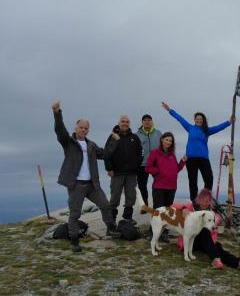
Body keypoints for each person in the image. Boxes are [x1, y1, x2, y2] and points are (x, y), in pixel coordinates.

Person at [52, 101, 121, 252]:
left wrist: (114, 142)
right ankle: (74, 240)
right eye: (81, 127)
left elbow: (104, 154)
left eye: (86, 128)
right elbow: (60, 130)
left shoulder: (91, 145)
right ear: (75, 128)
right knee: (75, 214)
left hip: (92, 185)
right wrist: (57, 113)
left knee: (105, 205)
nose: (83, 130)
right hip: (76, 185)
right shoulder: (69, 142)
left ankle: (110, 228)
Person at [161, 101, 233, 202]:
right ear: (194, 120)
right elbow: (180, 119)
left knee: (209, 178)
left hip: (203, 158)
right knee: (192, 181)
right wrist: (170, 110)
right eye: (197, 119)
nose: (199, 120)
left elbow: (218, 127)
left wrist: (229, 122)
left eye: (200, 119)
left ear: (203, 121)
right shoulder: (190, 128)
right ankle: (194, 201)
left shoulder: (207, 130)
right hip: (191, 158)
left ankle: (205, 199)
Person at [174, 189, 240, 270]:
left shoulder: (212, 214)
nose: (207, 204)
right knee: (204, 230)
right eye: (205, 201)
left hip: (205, 242)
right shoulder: (191, 207)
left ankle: (237, 263)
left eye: (208, 201)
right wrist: (183, 208)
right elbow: (173, 207)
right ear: (199, 200)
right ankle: (216, 259)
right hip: (189, 241)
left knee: (217, 247)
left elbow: (214, 228)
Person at [145, 132, 186, 242]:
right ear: (162, 140)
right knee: (158, 211)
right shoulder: (155, 153)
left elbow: (176, 169)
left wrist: (182, 162)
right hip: (159, 186)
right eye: (166, 139)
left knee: (168, 212)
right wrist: (158, 172)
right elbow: (148, 167)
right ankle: (152, 233)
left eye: (170, 141)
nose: (168, 142)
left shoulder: (172, 155)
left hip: (172, 186)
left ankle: (164, 233)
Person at [104, 115, 143, 222]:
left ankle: (128, 218)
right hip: (117, 172)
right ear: (119, 123)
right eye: (123, 121)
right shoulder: (113, 136)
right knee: (115, 197)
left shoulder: (134, 137)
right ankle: (111, 221)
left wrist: (136, 165)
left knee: (131, 196)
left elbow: (140, 153)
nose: (125, 123)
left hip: (131, 173)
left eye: (127, 121)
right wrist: (109, 169)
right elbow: (106, 153)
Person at [136, 114, 162, 212]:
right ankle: (145, 206)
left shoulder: (158, 133)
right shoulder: (137, 135)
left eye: (149, 120)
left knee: (158, 184)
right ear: (142, 122)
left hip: (156, 164)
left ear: (152, 122)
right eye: (145, 120)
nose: (147, 122)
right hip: (142, 164)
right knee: (142, 185)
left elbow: (163, 147)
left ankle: (158, 205)